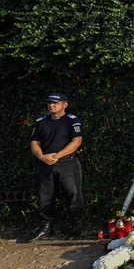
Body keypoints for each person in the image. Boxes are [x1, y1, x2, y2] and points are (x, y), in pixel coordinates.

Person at [25, 93, 84, 242]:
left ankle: (77, 227)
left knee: (72, 194)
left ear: (64, 105)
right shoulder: (40, 122)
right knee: (44, 196)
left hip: (67, 164)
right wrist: (41, 157)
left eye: (55, 103)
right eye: (49, 103)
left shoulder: (72, 121)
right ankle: (46, 228)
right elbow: (34, 143)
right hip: (45, 164)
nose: (51, 105)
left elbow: (76, 142)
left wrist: (56, 156)